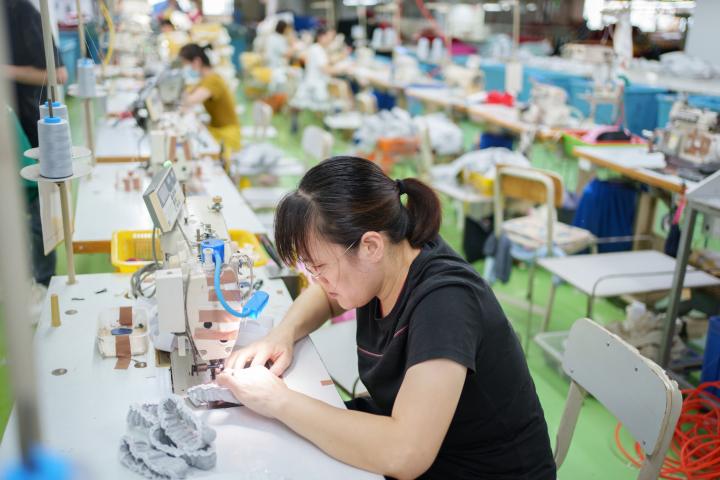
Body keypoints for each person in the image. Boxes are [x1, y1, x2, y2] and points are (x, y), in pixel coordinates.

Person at [218, 157, 557, 479]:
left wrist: (279, 401)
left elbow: (405, 454)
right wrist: (282, 334)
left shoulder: (446, 304)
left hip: (476, 470)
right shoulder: (393, 255)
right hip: (426, 445)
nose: (317, 281)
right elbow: (327, 295)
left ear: (370, 247)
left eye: (319, 268)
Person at [2, 0, 68, 287]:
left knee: (36, 219)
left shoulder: (19, 12)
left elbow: (59, 74)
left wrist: (5, 71)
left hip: (30, 132)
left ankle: (41, 285)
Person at [178, 43, 241, 161]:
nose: (184, 68)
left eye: (185, 64)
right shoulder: (206, 79)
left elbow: (190, 100)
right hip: (216, 130)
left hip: (226, 135)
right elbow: (189, 94)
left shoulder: (213, 80)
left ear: (196, 62)